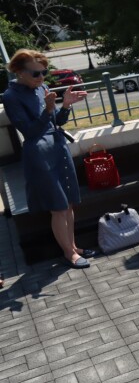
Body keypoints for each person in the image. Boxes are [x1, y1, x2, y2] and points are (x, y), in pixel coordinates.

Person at [3, 49, 90, 269]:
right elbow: (29, 131)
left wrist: (65, 106)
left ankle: (73, 247)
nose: (42, 78)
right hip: (39, 155)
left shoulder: (42, 87)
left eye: (44, 72)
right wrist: (48, 109)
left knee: (68, 203)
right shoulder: (11, 96)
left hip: (57, 148)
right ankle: (68, 253)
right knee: (58, 207)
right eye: (36, 74)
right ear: (20, 72)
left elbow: (56, 122)